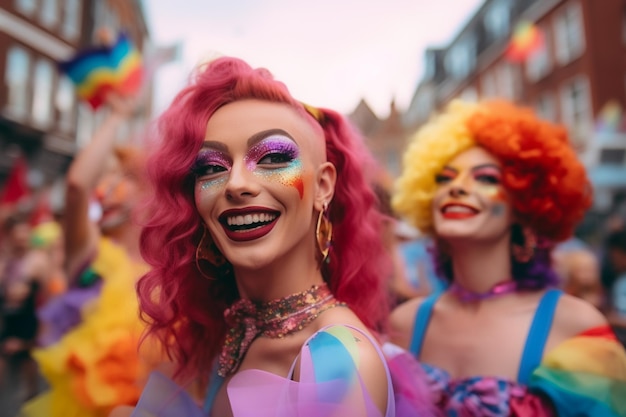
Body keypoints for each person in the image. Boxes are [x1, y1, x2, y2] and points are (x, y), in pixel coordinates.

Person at [109, 56, 432, 417]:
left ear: (323, 186)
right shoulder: (235, 333)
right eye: (211, 167)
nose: (236, 185)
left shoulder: (337, 357)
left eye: (272, 158)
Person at [389, 99, 626, 416]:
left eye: (485, 178)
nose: (456, 188)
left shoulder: (574, 326)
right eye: (444, 178)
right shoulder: (403, 325)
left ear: (524, 203)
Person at [20, 91, 161, 417]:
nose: (105, 189)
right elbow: (77, 186)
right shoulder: (89, 253)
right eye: (104, 178)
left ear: (147, 191)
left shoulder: (172, 267)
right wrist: (116, 117)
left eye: (122, 177)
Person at [0, 212, 50, 402]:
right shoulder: (4, 262)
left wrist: (38, 337)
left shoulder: (37, 261)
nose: (21, 239)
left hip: (29, 331)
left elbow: (50, 299)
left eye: (24, 234)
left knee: (30, 394)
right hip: (6, 328)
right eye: (17, 235)